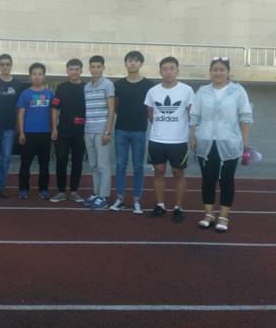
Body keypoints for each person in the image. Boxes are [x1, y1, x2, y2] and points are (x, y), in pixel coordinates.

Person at [190, 57, 253, 232]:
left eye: (222, 70)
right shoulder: (203, 91)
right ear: (210, 72)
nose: (218, 73)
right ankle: (209, 214)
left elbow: (245, 116)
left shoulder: (237, 91)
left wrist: (244, 141)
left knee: (227, 180)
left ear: (228, 72)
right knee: (208, 179)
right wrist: (193, 137)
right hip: (206, 142)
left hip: (229, 142)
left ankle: (224, 216)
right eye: (215, 70)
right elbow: (194, 116)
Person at [145, 56, 195, 223]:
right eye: (165, 69)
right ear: (160, 71)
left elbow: (191, 115)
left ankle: (178, 208)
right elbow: (150, 113)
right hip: (156, 140)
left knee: (177, 173)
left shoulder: (187, 90)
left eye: (172, 68)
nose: (168, 72)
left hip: (178, 141)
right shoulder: (153, 91)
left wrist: (192, 136)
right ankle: (160, 205)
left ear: (177, 70)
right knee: (159, 171)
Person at [110, 51, 154, 214]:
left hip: (139, 131)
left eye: (136, 61)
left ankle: (136, 200)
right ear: (125, 63)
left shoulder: (149, 85)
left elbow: (150, 108)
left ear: (141, 64)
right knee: (120, 165)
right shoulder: (118, 84)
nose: (133, 63)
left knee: (138, 166)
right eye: (130, 61)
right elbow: (115, 107)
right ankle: (120, 198)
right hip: (121, 129)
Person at [0, 53, 22, 201]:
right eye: (2, 64)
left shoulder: (18, 84)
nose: (5, 66)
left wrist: (18, 126)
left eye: (7, 64)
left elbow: (19, 108)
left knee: (6, 158)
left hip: (9, 127)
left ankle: (1, 186)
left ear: (11, 65)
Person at [50, 59, 86, 203]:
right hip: (63, 131)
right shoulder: (61, 88)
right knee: (61, 160)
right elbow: (55, 108)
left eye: (77, 69)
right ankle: (60, 191)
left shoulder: (87, 87)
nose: (74, 72)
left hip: (81, 132)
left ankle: (74, 192)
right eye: (71, 69)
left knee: (78, 162)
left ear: (81, 70)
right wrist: (54, 128)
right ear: (67, 71)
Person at [16, 62, 54, 200]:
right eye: (34, 74)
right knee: (25, 163)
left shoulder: (50, 94)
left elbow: (53, 113)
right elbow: (21, 113)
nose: (37, 77)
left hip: (45, 134)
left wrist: (54, 129)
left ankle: (43, 189)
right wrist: (21, 132)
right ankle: (23, 189)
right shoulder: (25, 94)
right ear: (30, 76)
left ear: (44, 76)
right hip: (28, 134)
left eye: (40, 74)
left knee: (44, 165)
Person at [83, 55, 115, 210]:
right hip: (88, 130)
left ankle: (103, 197)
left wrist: (107, 131)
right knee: (93, 165)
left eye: (98, 66)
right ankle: (96, 193)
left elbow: (111, 109)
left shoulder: (108, 84)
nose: (95, 69)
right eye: (93, 66)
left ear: (103, 68)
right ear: (89, 68)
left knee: (103, 165)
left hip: (102, 131)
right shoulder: (86, 87)